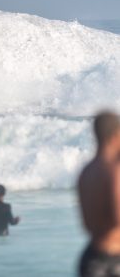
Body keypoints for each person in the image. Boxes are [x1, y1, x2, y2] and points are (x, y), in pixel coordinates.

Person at [77, 111, 120, 277]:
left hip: (91, 257)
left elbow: (87, 225)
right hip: (113, 261)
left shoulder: (86, 172)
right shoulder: (114, 171)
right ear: (115, 134)